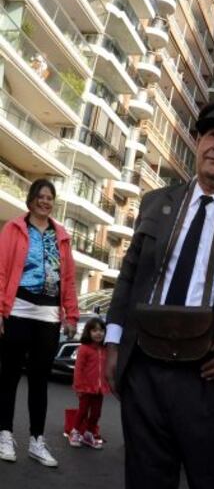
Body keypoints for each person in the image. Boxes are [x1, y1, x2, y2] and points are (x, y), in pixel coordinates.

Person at [105, 99, 214, 489]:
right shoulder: (156, 202)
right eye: (213, 135)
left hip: (210, 377)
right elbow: (130, 275)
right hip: (144, 367)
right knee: (145, 479)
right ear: (198, 143)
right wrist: (113, 343)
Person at [0, 178, 79, 467]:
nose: (45, 201)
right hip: (18, 308)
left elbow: (68, 279)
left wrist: (71, 313)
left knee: (39, 379)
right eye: (41, 196)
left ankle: (37, 440)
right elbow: (2, 269)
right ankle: (5, 434)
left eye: (50, 197)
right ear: (31, 199)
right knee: (9, 375)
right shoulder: (14, 228)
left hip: (48, 315)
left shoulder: (62, 236)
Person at [69, 317, 110, 449]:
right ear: (88, 332)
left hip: (99, 389)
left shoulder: (105, 349)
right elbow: (78, 370)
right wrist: (78, 387)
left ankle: (88, 434)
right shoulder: (84, 349)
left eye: (101, 330)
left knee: (96, 413)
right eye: (94, 330)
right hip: (85, 388)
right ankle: (74, 432)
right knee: (82, 411)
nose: (98, 333)